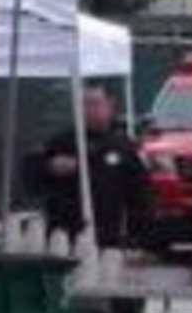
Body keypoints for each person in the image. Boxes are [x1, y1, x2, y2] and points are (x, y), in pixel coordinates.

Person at [26, 82, 151, 251]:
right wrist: (49, 167)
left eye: (95, 103)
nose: (89, 110)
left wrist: (137, 239)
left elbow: (139, 196)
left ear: (109, 104)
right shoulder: (61, 143)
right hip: (65, 237)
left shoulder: (123, 146)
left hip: (107, 238)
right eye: (84, 104)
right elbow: (31, 179)